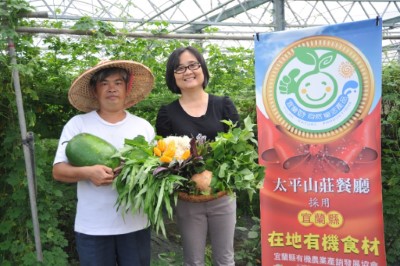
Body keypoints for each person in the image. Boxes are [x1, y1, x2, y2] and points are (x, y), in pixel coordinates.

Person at [53, 60, 155, 266]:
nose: (112, 88)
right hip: (93, 228)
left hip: (135, 224)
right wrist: (88, 172)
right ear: (94, 90)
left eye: (118, 83)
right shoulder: (78, 125)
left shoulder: (143, 127)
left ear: (127, 89)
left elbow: (154, 171)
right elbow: (58, 171)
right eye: (104, 83)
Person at [155, 46, 240, 266]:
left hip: (222, 194)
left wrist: (218, 174)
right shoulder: (167, 113)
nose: (187, 71)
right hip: (188, 198)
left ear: (202, 68)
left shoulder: (223, 106)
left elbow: (240, 149)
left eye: (193, 64)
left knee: (225, 259)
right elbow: (164, 157)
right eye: (179, 68)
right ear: (172, 77)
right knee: (193, 260)